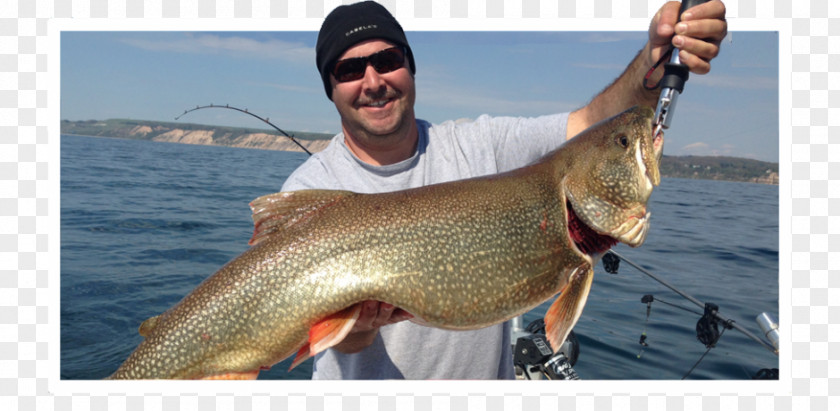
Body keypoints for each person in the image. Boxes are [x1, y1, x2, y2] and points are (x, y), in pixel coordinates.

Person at [282, 0, 727, 379]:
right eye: (350, 69)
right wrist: (356, 328)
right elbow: (320, 338)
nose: (374, 81)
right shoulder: (311, 189)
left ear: (410, 68)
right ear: (331, 88)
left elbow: (593, 123)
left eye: (388, 60)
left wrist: (652, 62)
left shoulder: (481, 145)